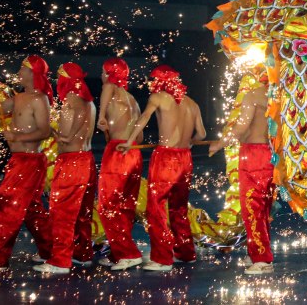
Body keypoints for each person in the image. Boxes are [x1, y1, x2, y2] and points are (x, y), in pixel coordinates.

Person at [118, 66, 206, 271]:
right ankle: (185, 253)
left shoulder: (158, 97)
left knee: (156, 208)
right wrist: (188, 141)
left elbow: (143, 119)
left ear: (160, 81)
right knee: (179, 208)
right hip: (185, 157)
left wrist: (130, 141)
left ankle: (162, 258)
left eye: (152, 80)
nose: (150, 84)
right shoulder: (192, 104)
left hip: (166, 157)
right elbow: (201, 134)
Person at [0, 56, 53, 271]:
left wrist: (18, 138)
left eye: (22, 68)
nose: (18, 71)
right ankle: (50, 252)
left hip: (29, 161)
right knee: (32, 210)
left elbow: (45, 131)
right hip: (19, 160)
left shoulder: (39, 99)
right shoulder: (19, 98)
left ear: (32, 74)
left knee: (7, 207)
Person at [208, 75, 276, 275]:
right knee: (263, 208)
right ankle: (258, 252)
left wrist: (220, 143)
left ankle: (262, 258)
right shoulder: (281, 97)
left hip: (253, 155)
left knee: (251, 207)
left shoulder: (253, 95)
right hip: (272, 155)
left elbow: (241, 127)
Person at [34, 63, 97, 274]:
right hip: (87, 159)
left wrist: (56, 133)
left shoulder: (72, 100)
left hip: (71, 161)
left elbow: (67, 135)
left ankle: (60, 260)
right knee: (82, 213)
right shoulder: (90, 102)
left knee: (61, 212)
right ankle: (82, 253)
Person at [96, 58, 144, 270]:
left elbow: (106, 88)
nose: (101, 76)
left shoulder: (110, 87)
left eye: (103, 72)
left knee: (107, 205)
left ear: (109, 73)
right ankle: (119, 253)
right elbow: (140, 137)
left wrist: (101, 118)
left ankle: (128, 253)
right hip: (133, 150)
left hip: (118, 152)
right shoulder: (133, 99)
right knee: (124, 206)